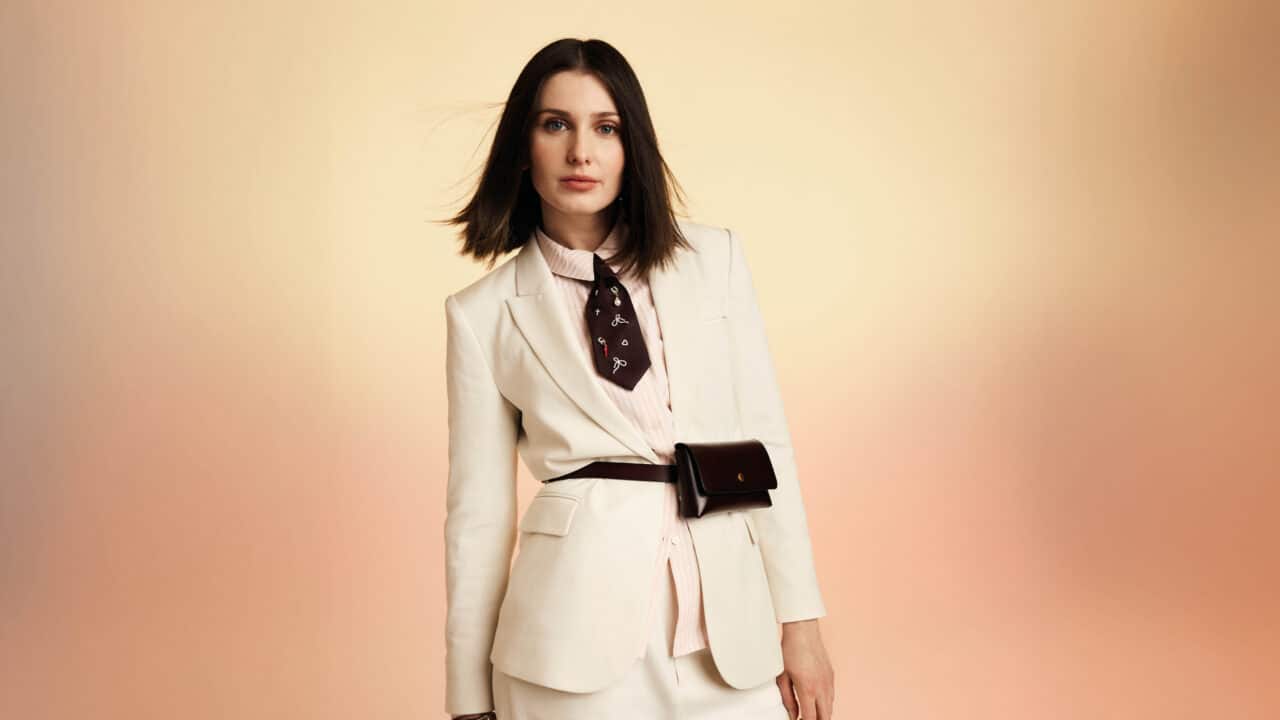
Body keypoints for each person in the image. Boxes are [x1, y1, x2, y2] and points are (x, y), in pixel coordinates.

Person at [440, 38, 834, 720]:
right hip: (566, 650)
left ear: (633, 147)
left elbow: (768, 443)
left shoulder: (714, 262)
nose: (580, 153)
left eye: (606, 128)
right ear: (523, 146)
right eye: (555, 124)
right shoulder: (483, 315)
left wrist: (802, 624)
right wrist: (468, 699)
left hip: (728, 636)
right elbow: (478, 518)